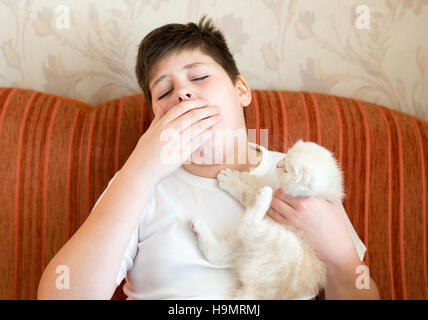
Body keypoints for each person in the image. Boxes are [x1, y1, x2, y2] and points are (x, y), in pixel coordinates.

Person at [37, 15, 380, 300]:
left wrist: (340, 256)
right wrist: (140, 170)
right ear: (156, 119)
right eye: (165, 92)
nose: (184, 92)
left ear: (241, 90)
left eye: (199, 77)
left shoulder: (299, 176)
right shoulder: (137, 185)